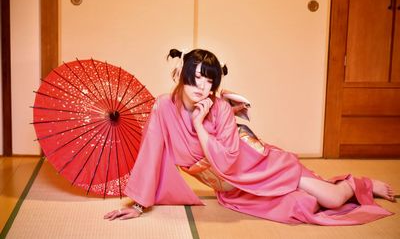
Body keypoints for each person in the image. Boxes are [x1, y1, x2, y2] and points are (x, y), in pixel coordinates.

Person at [104, 49, 395, 225]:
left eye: (210, 80)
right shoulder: (163, 107)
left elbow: (229, 160)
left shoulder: (218, 109)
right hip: (236, 191)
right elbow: (151, 153)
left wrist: (200, 125)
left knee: (331, 200)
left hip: (264, 168)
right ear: (182, 75)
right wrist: (139, 205)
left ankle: (357, 184)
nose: (202, 87)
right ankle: (325, 188)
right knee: (301, 206)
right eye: (196, 77)